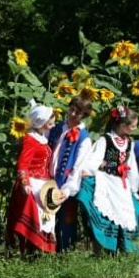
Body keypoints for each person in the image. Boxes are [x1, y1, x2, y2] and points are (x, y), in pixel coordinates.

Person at [76, 106, 139, 253]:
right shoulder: (105, 140)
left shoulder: (129, 143)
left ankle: (124, 248)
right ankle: (103, 249)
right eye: (133, 126)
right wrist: (90, 170)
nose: (135, 128)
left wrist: (134, 189)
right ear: (123, 126)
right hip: (106, 181)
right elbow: (94, 159)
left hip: (121, 184)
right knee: (105, 213)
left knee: (126, 213)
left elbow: (131, 166)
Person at [7, 100, 59, 254]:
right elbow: (23, 164)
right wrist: (25, 183)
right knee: (36, 216)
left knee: (47, 217)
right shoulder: (30, 139)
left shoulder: (42, 138)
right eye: (50, 124)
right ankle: (30, 251)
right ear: (41, 123)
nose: (53, 126)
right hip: (32, 184)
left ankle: (39, 253)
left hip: (43, 184)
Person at [48, 97, 93, 252]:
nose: (72, 114)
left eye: (78, 112)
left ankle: (65, 254)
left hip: (66, 184)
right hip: (47, 181)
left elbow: (78, 168)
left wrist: (67, 189)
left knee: (66, 221)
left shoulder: (84, 138)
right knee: (47, 219)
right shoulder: (57, 128)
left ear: (84, 116)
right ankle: (44, 253)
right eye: (72, 109)